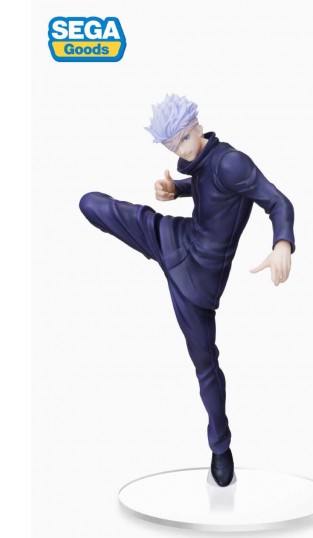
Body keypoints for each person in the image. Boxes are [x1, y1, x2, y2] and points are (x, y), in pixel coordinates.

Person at [79, 94, 295, 487]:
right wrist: (175, 190)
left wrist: (282, 243)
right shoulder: (204, 163)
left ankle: (220, 448)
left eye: (182, 139)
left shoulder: (232, 163)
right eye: (171, 146)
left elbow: (278, 202)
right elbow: (208, 187)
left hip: (199, 282)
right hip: (174, 240)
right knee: (92, 204)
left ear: (197, 126)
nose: (180, 150)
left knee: (206, 367)